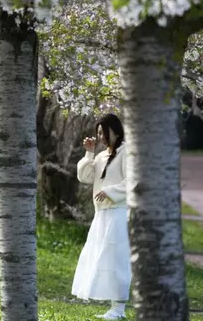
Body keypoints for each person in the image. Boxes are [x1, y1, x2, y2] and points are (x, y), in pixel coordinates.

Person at [72, 113, 130, 320]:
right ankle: (114, 307)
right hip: (102, 215)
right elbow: (85, 177)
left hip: (118, 213)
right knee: (102, 257)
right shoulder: (100, 156)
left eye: (104, 132)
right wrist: (89, 154)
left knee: (117, 259)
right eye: (98, 133)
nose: (101, 136)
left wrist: (110, 192)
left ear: (115, 131)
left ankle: (119, 308)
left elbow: (133, 182)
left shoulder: (127, 152)